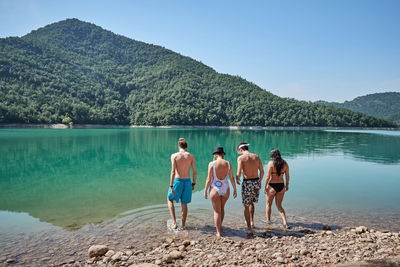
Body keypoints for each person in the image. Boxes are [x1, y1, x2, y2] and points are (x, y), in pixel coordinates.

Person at [204, 147, 237, 238]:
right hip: (225, 188)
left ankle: (218, 232)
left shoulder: (212, 164)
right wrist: (235, 189)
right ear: (223, 154)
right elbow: (232, 178)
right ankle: (220, 226)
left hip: (215, 188)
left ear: (215, 155)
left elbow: (209, 179)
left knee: (216, 211)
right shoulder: (228, 163)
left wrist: (205, 190)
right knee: (222, 208)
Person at [167, 138, 197, 229]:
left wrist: (171, 185)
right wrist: (193, 183)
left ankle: (174, 222)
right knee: (184, 203)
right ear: (186, 147)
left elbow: (173, 171)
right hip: (187, 181)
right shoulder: (191, 156)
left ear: (179, 146)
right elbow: (194, 171)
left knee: (169, 199)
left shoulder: (174, 156)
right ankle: (183, 225)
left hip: (178, 181)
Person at [236, 142, 264, 233]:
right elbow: (262, 171)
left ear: (241, 150)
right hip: (256, 181)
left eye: (239, 151)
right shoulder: (256, 156)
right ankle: (252, 222)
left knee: (245, 205)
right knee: (252, 203)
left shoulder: (241, 158)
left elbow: (239, 173)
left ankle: (248, 227)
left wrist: (236, 178)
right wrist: (260, 181)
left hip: (247, 182)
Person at [264, 148, 290, 228]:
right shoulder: (285, 163)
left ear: (272, 155)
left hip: (272, 186)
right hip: (281, 186)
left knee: (268, 204)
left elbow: (268, 176)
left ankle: (268, 221)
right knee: (279, 205)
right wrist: (287, 185)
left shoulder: (271, 163)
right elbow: (287, 175)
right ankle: (285, 222)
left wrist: (265, 186)